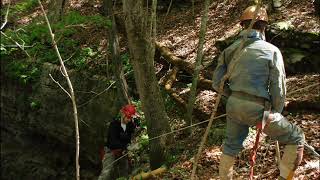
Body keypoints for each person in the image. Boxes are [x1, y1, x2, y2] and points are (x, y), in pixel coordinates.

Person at [212, 5, 305, 180]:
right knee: (296, 137)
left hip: (233, 105)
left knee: (230, 146)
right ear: (264, 27)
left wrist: (233, 96)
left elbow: (217, 84)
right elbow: (278, 87)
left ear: (242, 26)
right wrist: (276, 112)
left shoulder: (229, 50)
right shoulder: (271, 51)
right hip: (259, 109)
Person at [98, 104, 139, 180]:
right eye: (128, 117)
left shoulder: (130, 125)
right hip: (111, 151)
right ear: (123, 115)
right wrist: (126, 146)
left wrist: (131, 145)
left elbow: (131, 136)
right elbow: (112, 142)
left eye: (130, 118)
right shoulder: (114, 125)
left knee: (125, 172)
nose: (129, 120)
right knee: (107, 173)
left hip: (123, 152)